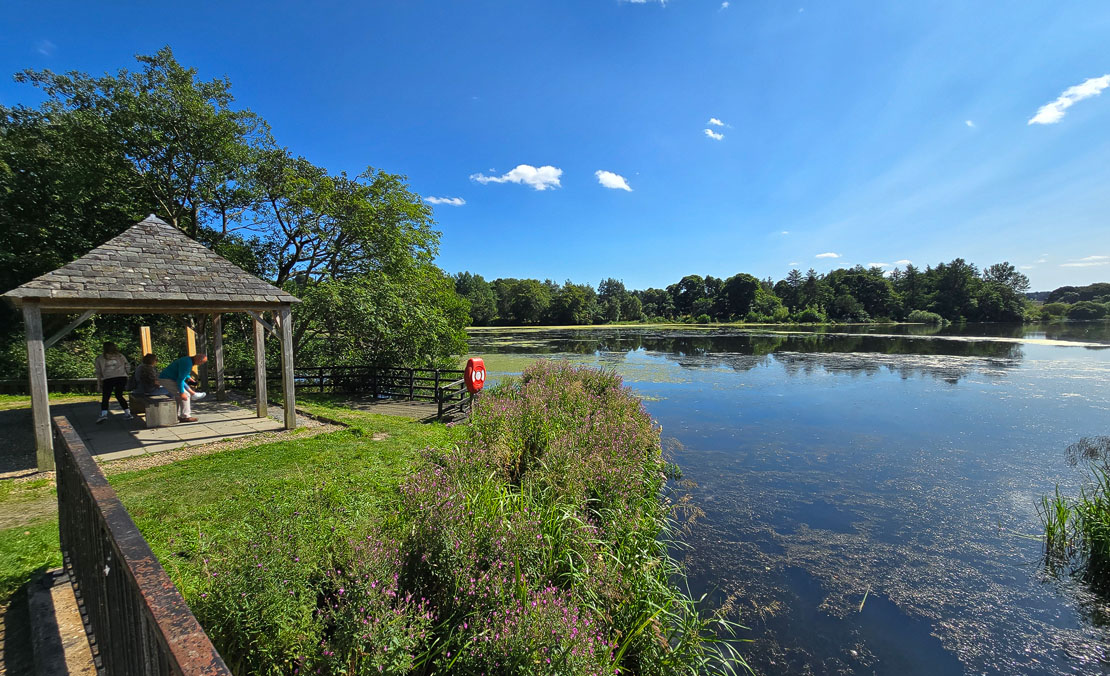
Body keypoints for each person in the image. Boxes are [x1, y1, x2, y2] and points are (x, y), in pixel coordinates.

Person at [158, 353, 208, 423]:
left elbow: (181, 371)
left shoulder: (188, 359)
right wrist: (182, 392)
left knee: (179, 396)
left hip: (169, 377)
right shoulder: (188, 363)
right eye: (202, 362)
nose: (201, 364)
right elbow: (180, 379)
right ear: (198, 360)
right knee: (185, 395)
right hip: (167, 379)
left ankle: (177, 415)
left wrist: (188, 377)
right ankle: (186, 416)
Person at [95, 342, 132, 423]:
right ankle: (127, 412)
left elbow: (98, 371)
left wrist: (99, 383)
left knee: (106, 396)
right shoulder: (120, 356)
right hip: (121, 377)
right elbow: (127, 365)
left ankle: (104, 413)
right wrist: (126, 373)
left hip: (108, 378)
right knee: (119, 395)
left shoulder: (100, 358)